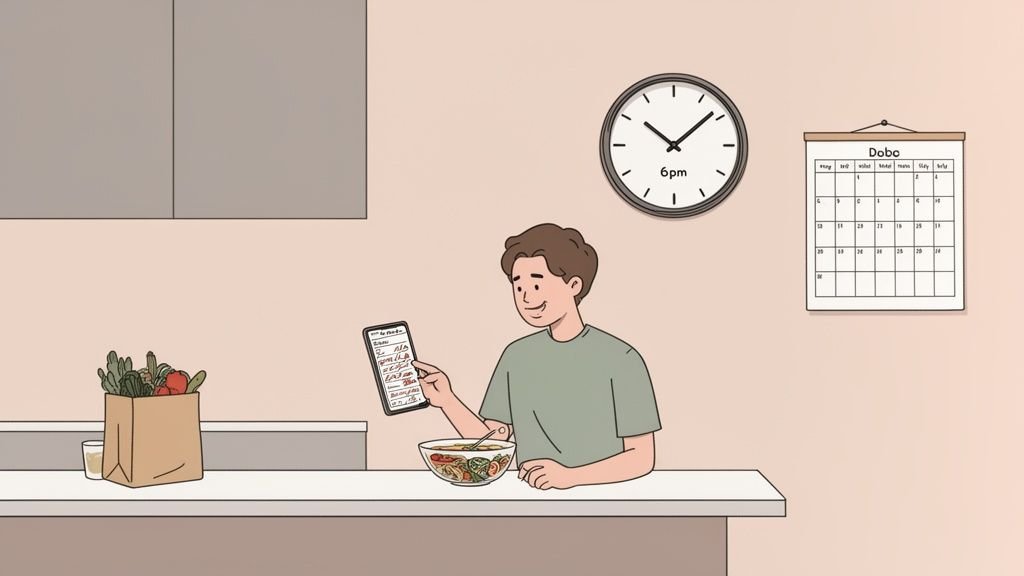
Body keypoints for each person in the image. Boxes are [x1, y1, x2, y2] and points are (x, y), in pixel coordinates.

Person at [413, 223, 661, 490]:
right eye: (518, 286)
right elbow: (493, 443)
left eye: (536, 283)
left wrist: (569, 477)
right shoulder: (516, 356)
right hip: (530, 497)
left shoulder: (622, 358)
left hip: (603, 499)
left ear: (573, 285)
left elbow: (641, 458)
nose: (526, 297)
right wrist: (447, 400)